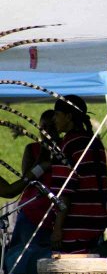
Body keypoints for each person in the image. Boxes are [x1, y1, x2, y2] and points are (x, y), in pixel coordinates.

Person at [50, 94, 107, 253]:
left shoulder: (68, 145)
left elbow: (65, 191)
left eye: (57, 114)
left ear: (68, 116)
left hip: (75, 222)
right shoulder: (94, 142)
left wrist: (57, 228)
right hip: (97, 218)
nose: (53, 119)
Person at [4, 109, 59, 274]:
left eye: (52, 127)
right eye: (43, 127)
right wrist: (43, 160)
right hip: (31, 212)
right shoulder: (32, 148)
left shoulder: (65, 150)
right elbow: (25, 180)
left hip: (56, 215)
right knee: (22, 258)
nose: (47, 132)